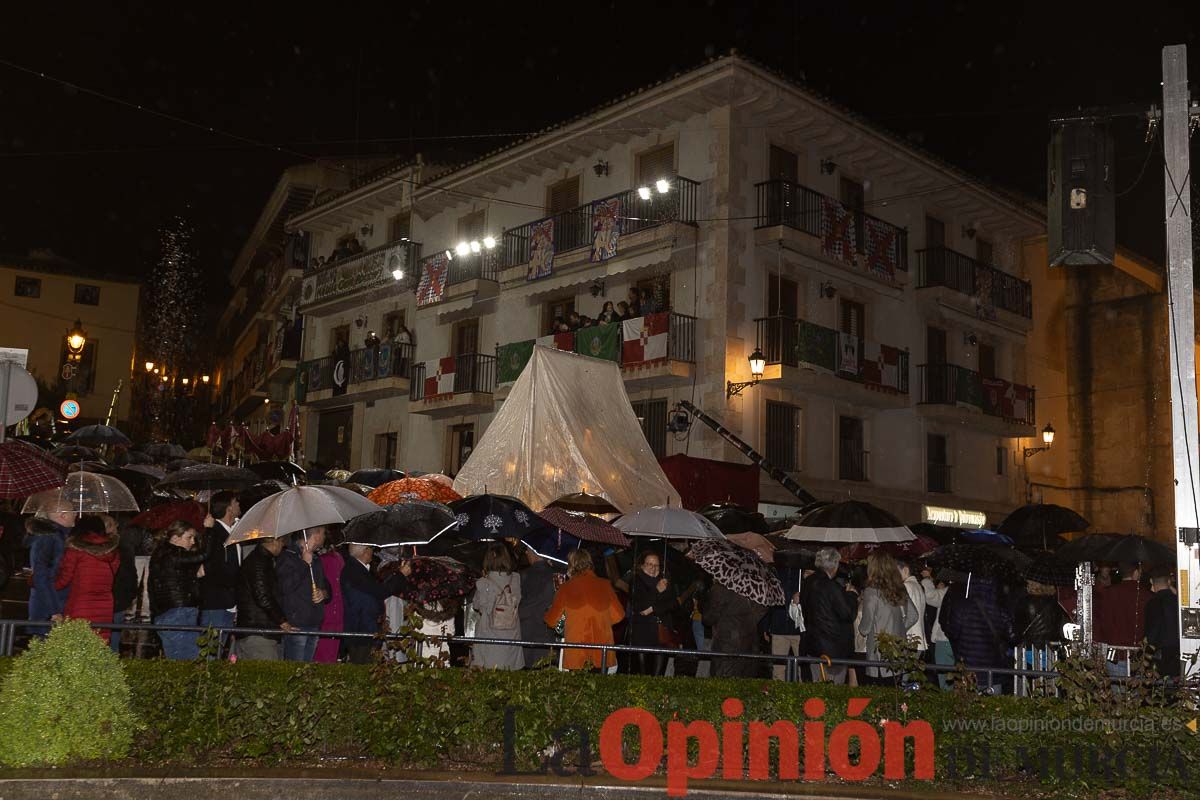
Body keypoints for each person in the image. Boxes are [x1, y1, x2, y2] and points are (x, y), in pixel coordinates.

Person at [544, 550, 624, 671]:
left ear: (571, 566)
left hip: (577, 653)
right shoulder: (605, 585)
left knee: (577, 689)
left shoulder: (566, 588)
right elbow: (619, 615)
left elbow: (551, 621)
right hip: (602, 652)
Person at [939, 576, 1014, 693]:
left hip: (967, 667)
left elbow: (952, 632)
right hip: (992, 670)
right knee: (993, 707)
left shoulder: (962, 606)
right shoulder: (999, 608)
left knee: (966, 705)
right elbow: (1011, 635)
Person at [53, 514, 120, 643]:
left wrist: (37, 581)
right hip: (105, 604)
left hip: (80, 603)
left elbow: (63, 580)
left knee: (77, 645)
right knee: (99, 643)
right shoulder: (112, 552)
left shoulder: (75, 551)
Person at [148, 520, 206, 660]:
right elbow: (203, 555)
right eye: (189, 537)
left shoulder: (165, 554)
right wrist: (209, 531)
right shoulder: (172, 554)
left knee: (180, 657)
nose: (192, 542)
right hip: (178, 610)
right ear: (175, 538)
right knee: (187, 657)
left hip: (171, 610)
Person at [858, 552, 918, 686]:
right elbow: (914, 615)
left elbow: (865, 628)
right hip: (898, 648)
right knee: (894, 691)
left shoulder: (871, 591)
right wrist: (899, 629)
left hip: (879, 651)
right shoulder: (899, 588)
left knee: (880, 694)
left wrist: (859, 627)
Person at [342, 543, 408, 664]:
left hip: (364, 628)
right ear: (365, 551)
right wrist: (401, 575)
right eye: (371, 549)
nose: (373, 552)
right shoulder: (354, 570)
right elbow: (380, 591)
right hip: (361, 630)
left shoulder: (358, 568)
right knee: (363, 667)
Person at [800, 547, 858, 683]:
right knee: (833, 691)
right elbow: (848, 614)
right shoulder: (832, 587)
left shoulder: (807, 583)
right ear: (834, 565)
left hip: (813, 646)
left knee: (817, 688)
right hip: (833, 650)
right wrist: (851, 595)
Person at [275, 528, 331, 662]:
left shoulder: (316, 559)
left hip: (314, 622)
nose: (324, 537)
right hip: (297, 623)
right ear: (316, 535)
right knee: (295, 669)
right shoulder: (288, 556)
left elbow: (327, 585)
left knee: (306, 669)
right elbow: (285, 587)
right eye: (323, 533)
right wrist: (304, 563)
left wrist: (323, 593)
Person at [235, 536, 296, 660]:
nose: (283, 546)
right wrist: (282, 620)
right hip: (259, 631)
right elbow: (262, 596)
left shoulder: (262, 560)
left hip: (258, 629)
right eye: (281, 541)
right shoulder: (259, 562)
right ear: (274, 541)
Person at [470, 544, 524, 670]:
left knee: (488, 671)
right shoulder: (516, 578)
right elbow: (518, 599)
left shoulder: (483, 582)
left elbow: (477, 605)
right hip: (511, 632)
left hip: (489, 633)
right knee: (510, 672)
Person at [625, 551, 677, 676]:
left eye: (657, 565)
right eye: (649, 564)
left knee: (658, 673)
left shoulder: (665, 581)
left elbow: (673, 604)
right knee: (642, 672)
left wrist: (652, 609)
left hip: (661, 631)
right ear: (642, 566)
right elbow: (640, 606)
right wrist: (656, 591)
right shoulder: (636, 581)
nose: (653, 568)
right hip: (642, 632)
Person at [199, 492, 241, 646]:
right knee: (211, 649)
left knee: (220, 650)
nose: (239, 504)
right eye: (236, 501)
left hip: (229, 602)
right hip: (216, 603)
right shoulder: (214, 533)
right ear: (229, 508)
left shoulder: (234, 533)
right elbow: (213, 566)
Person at [24, 510, 76, 631]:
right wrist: (54, 610)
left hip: (50, 605)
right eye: (73, 512)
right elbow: (42, 577)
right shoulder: (50, 538)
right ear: (63, 515)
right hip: (49, 608)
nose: (76, 514)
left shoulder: (56, 536)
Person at [1093, 562, 1146, 680]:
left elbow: (1101, 623)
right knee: (1137, 693)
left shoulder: (1107, 593)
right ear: (1135, 573)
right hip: (1139, 654)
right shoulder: (1145, 594)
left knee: (1118, 693)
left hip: (1114, 653)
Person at [518, 550, 561, 668]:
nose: (525, 552)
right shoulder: (555, 576)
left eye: (528, 550)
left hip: (525, 629)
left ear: (535, 553)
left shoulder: (523, 575)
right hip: (546, 631)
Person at [763, 561, 804, 681]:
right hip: (779, 626)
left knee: (802, 667)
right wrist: (766, 626)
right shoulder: (775, 573)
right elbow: (769, 600)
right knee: (778, 669)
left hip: (799, 628)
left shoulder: (804, 575)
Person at [108, 515, 139, 654]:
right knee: (113, 634)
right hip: (117, 597)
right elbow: (130, 574)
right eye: (115, 525)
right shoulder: (122, 548)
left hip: (115, 597)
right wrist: (132, 593)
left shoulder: (122, 547)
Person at [314, 536, 346, 663]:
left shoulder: (321, 561)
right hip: (337, 613)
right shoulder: (339, 559)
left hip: (327, 613)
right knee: (330, 654)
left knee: (321, 655)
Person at [1144, 565, 1180, 678]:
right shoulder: (1177, 601)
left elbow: (1152, 632)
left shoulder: (1152, 603)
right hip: (1177, 656)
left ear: (1151, 581)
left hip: (1158, 656)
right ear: (1169, 581)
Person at [920, 566, 953, 689]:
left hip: (944, 639)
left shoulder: (950, 592)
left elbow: (931, 597)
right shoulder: (969, 592)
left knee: (945, 678)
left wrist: (927, 579)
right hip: (960, 640)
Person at [1014, 580, 1070, 650]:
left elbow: (1017, 628)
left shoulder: (1025, 602)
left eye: (1029, 583)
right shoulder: (1056, 602)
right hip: (1053, 647)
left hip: (1032, 648)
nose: (1027, 585)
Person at [898, 560, 928, 657]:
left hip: (910, 638)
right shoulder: (918, 586)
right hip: (918, 638)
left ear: (905, 570)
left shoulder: (906, 586)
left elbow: (903, 613)